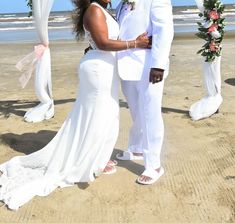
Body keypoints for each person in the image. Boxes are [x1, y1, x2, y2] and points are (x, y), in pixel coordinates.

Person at [0, 0, 150, 210]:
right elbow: (104, 43)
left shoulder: (100, 10)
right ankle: (90, 160)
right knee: (98, 115)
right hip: (99, 69)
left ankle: (96, 156)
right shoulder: (94, 11)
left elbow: (97, 42)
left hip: (104, 66)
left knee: (102, 114)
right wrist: (136, 43)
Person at [115, 0, 174, 185]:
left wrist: (158, 65)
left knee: (150, 114)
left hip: (148, 67)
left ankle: (154, 165)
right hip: (126, 66)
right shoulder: (121, 5)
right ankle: (137, 148)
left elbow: (164, 30)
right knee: (136, 111)